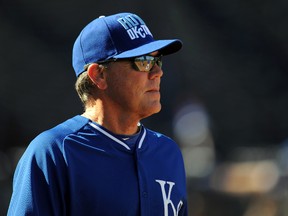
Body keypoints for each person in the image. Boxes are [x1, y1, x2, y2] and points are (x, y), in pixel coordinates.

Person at [8, 12, 188, 216]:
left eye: (158, 61)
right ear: (99, 75)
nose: (157, 73)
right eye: (144, 61)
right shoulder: (54, 153)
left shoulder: (168, 153)